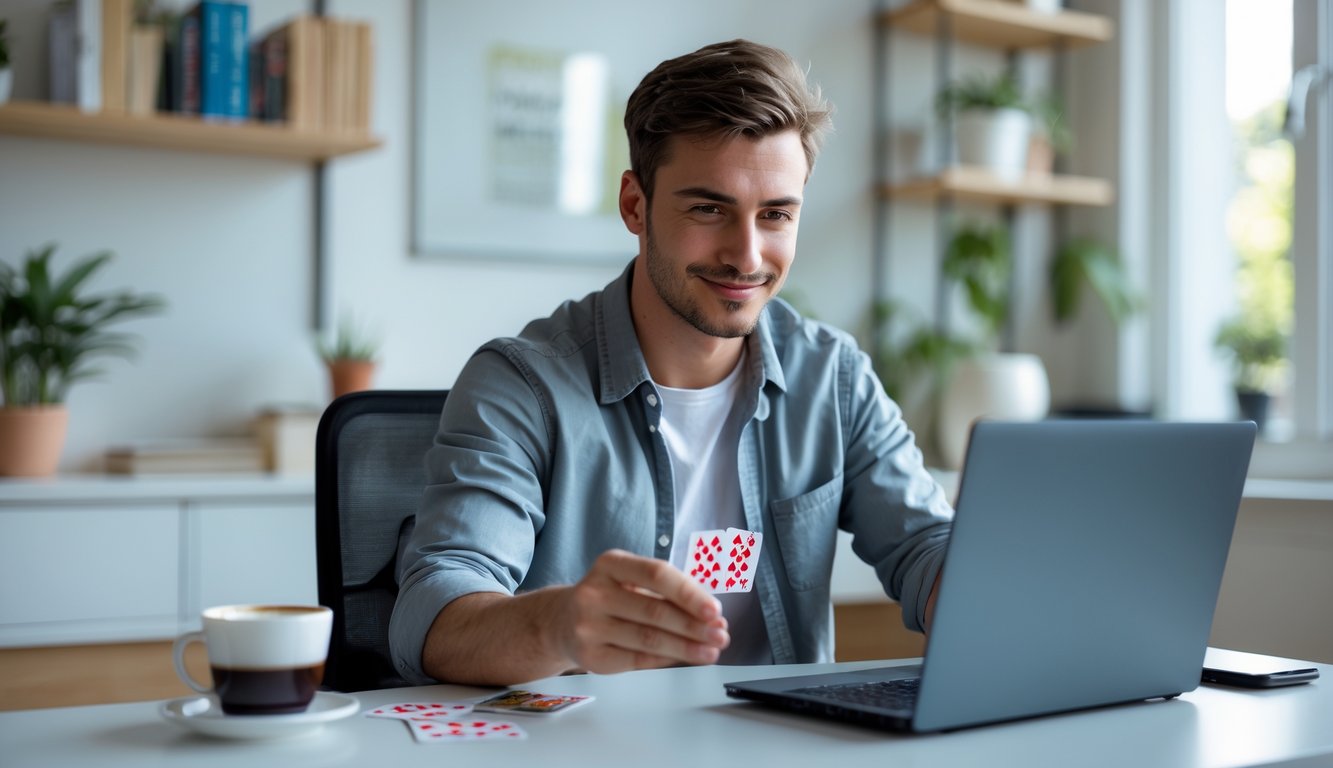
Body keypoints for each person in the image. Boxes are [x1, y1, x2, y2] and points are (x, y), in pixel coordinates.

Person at [390, 39, 953, 686]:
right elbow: (432, 619)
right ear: (635, 205)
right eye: (708, 209)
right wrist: (559, 625)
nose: (746, 256)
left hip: (779, 747)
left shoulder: (833, 378)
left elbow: (925, 548)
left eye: (775, 215)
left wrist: (976, 590)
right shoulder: (521, 385)